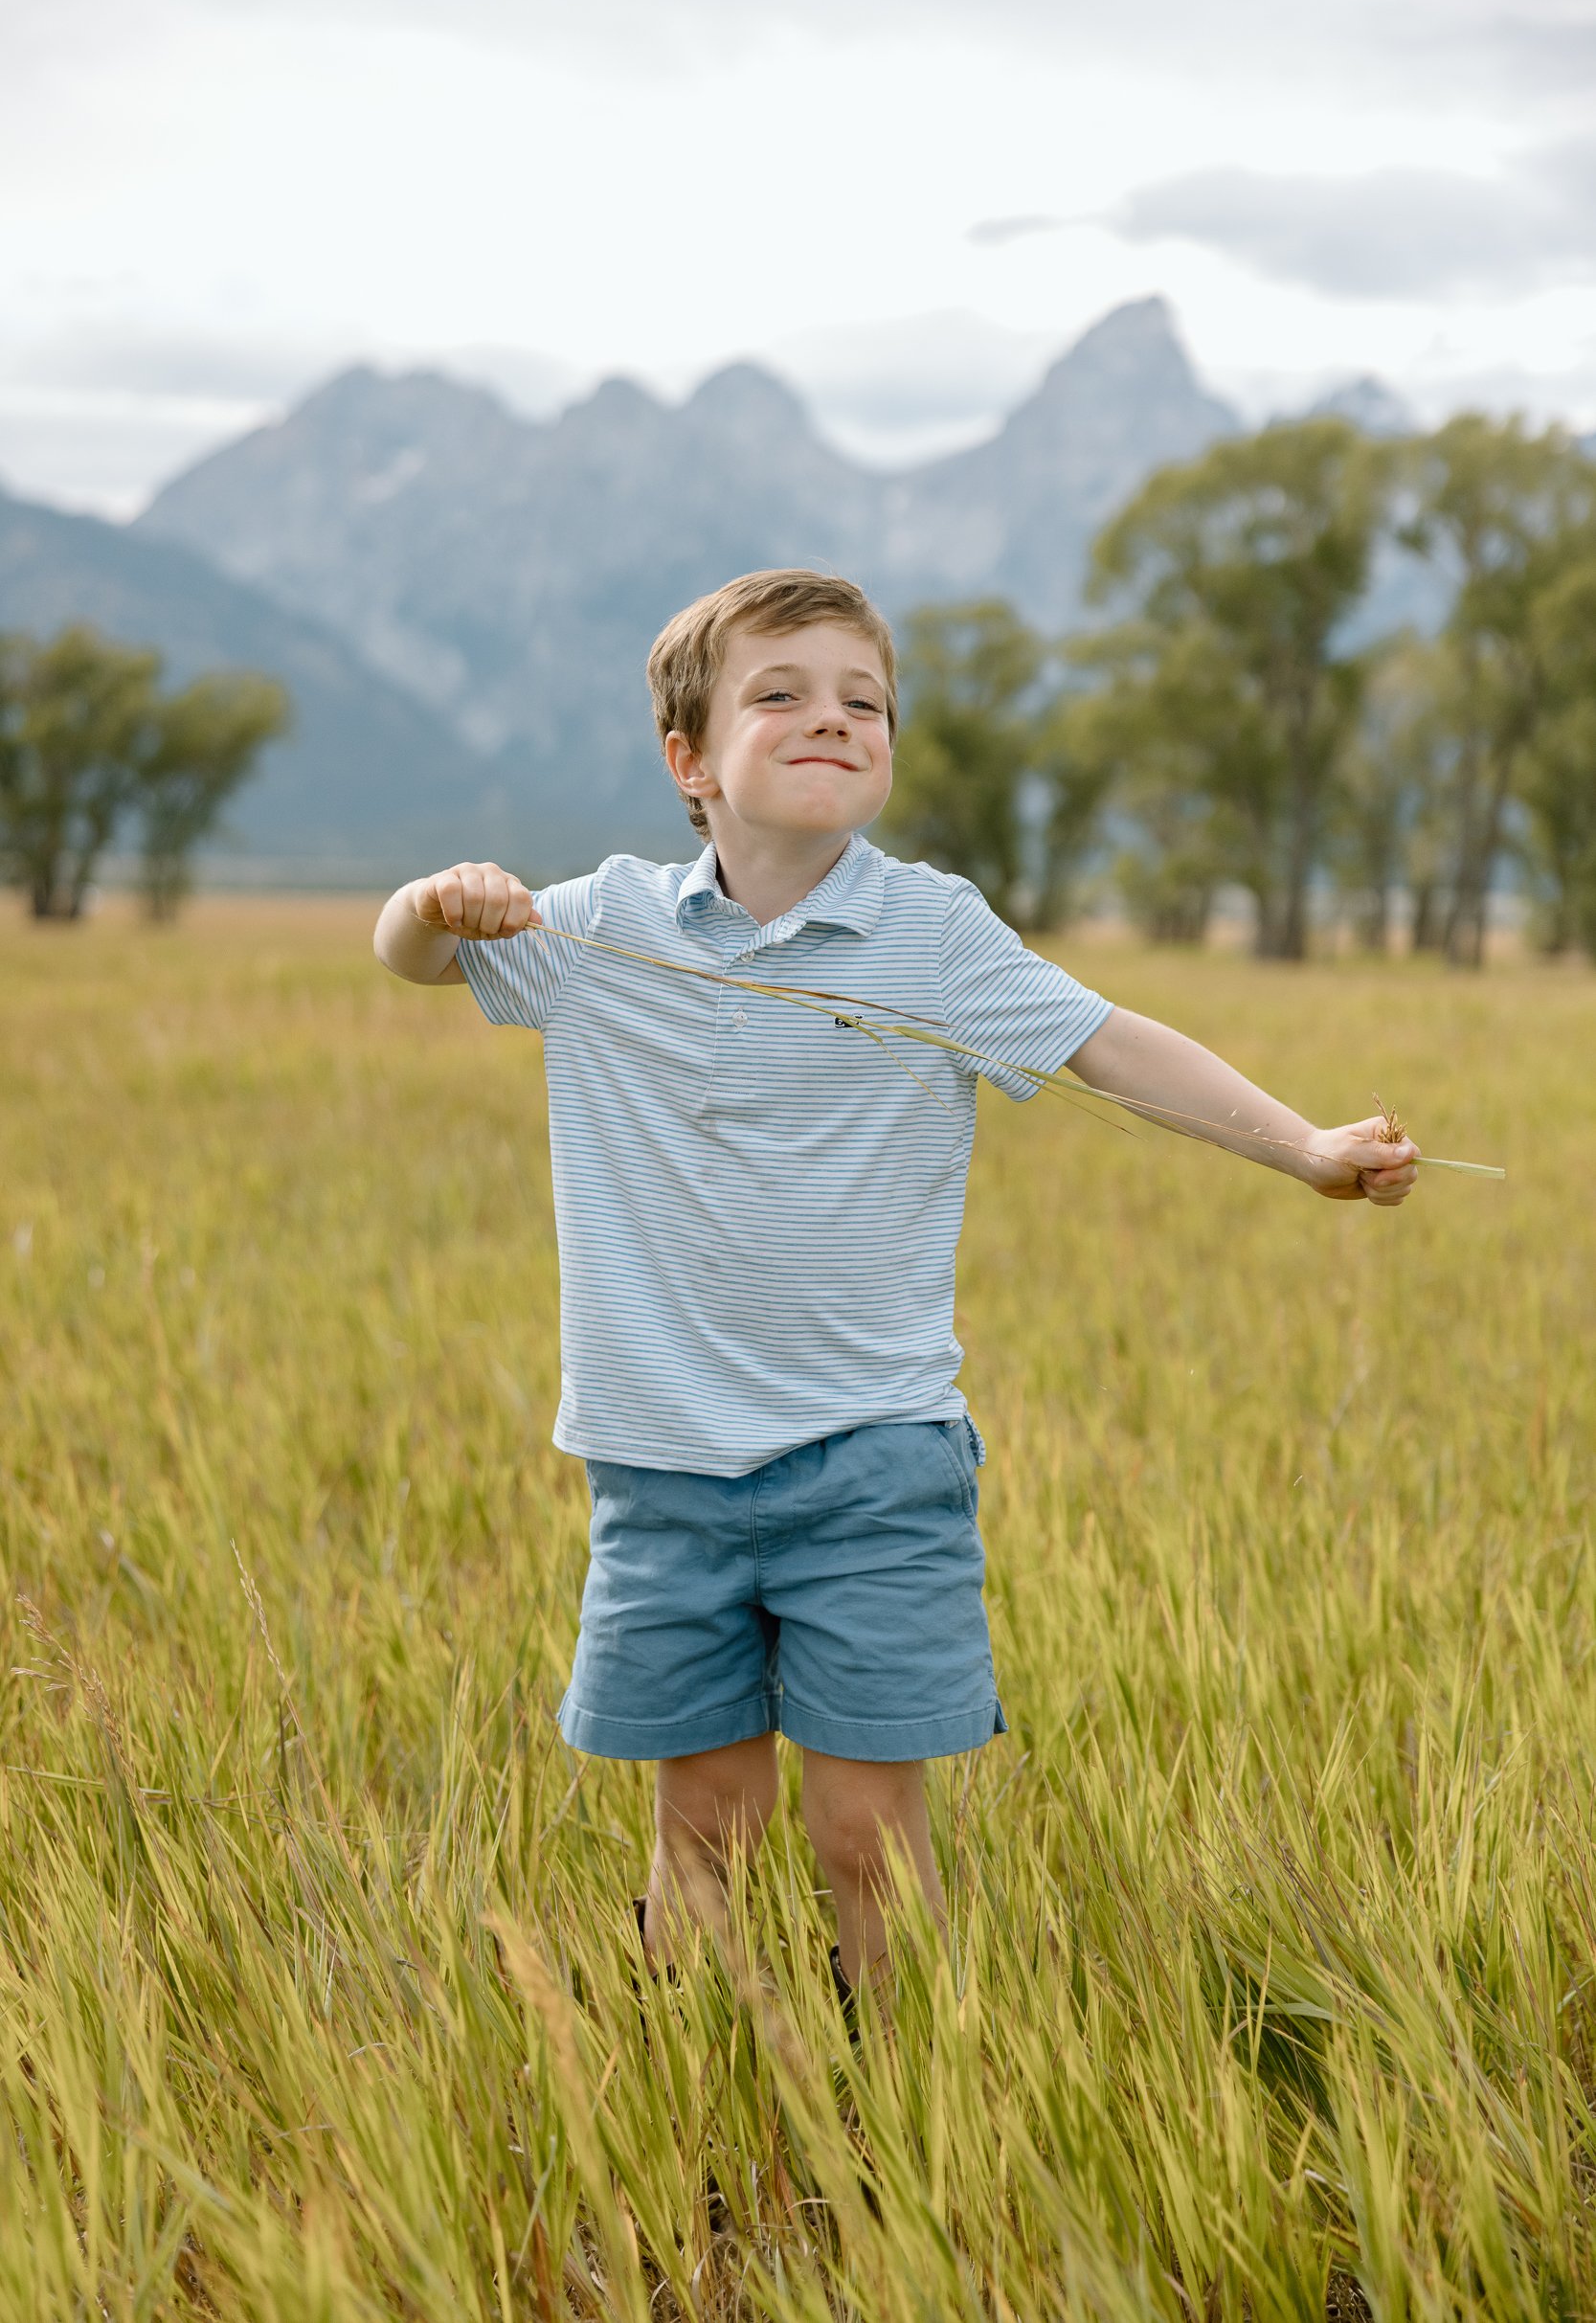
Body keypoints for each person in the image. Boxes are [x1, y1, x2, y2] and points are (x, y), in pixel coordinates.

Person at [372, 568, 1419, 2003]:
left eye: (863, 700)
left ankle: (903, 2115)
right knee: (707, 1825)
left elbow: (1115, 1044)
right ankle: (713, 2096)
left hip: (872, 1462)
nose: (832, 718)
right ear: (690, 760)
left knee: (868, 1828)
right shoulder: (605, 927)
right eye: (782, 695)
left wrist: (1304, 1145)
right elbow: (416, 961)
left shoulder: (933, 935)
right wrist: (436, 902)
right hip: (661, 1470)